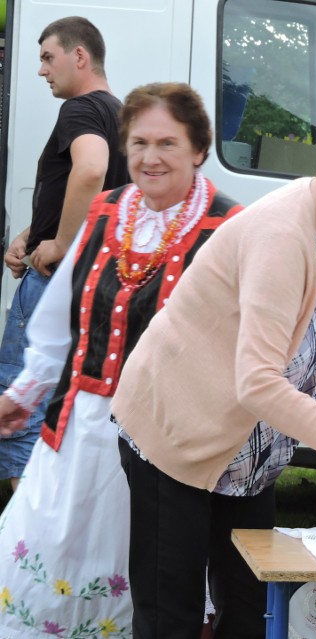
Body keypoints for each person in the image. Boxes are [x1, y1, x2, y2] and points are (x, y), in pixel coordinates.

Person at [109, 115, 316, 639]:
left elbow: (303, 344)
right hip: (176, 433)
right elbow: (260, 383)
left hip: (244, 451)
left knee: (249, 610)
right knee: (170, 616)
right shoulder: (284, 235)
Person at [0, 82, 241, 638]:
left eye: (167, 144)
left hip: (156, 438)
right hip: (77, 429)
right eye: (137, 143)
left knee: (143, 570)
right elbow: (61, 316)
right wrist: (25, 393)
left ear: (199, 149)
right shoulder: (107, 210)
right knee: (48, 559)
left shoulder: (227, 228)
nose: (149, 158)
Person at [0, 16, 129, 491]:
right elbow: (94, 193)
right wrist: (34, 235)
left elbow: (91, 171)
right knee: (61, 400)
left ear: (80, 57)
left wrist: (60, 245)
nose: (41, 70)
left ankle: (20, 531)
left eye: (47, 57)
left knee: (19, 399)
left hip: (55, 281)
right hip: (97, 282)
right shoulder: (119, 113)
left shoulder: (79, 109)